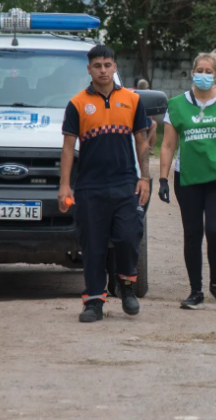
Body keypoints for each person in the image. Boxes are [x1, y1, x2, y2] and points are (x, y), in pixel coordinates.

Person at [59, 45, 151, 323]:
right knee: (93, 245)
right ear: (89, 69)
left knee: (128, 236)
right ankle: (94, 302)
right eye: (97, 66)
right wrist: (65, 185)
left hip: (126, 183)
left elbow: (142, 141)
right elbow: (68, 147)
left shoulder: (132, 100)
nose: (103, 70)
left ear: (115, 67)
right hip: (90, 186)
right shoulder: (77, 104)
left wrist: (145, 177)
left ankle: (126, 287)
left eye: (107, 65)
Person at [159, 52, 216, 310]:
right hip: (188, 178)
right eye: (200, 70)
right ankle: (195, 291)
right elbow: (167, 145)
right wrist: (163, 179)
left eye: (209, 71)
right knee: (193, 233)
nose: (204, 75)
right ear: (192, 73)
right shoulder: (176, 105)